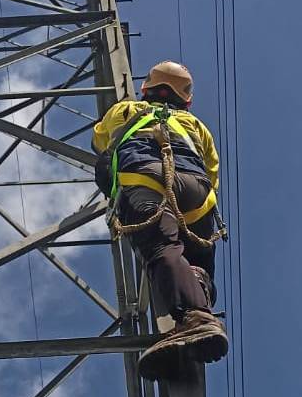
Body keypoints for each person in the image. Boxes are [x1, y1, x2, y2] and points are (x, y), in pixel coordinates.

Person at [92, 61, 228, 380]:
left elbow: (100, 141)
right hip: (197, 191)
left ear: (147, 88)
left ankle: (196, 320)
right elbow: (212, 168)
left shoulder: (126, 110)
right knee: (198, 259)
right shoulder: (195, 124)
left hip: (146, 176)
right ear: (186, 99)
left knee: (161, 247)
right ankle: (196, 303)